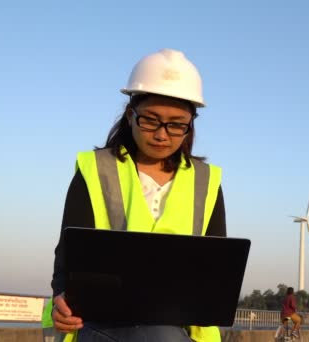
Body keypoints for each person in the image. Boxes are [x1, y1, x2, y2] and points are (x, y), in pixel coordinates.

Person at [49, 48, 226, 342]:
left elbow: (215, 268)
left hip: (182, 328)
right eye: (151, 120)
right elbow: (69, 252)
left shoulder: (207, 181)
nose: (161, 134)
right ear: (131, 114)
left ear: (189, 125)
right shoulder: (94, 169)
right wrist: (60, 298)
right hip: (101, 323)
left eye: (176, 124)